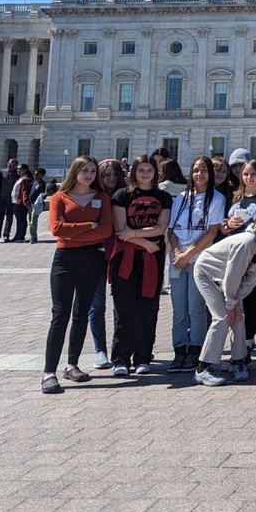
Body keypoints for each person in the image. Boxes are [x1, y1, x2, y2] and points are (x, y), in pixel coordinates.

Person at [41, 156, 113, 394]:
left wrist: (76, 232)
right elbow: (55, 229)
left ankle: (72, 364)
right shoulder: (60, 197)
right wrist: (89, 227)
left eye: (93, 171)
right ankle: (49, 372)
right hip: (65, 261)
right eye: (85, 170)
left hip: (92, 259)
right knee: (60, 314)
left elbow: (105, 230)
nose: (90, 175)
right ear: (75, 171)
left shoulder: (101, 198)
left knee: (82, 313)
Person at [192, 212, 256, 385]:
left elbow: (252, 278)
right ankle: (204, 368)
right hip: (208, 273)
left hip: (227, 280)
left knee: (238, 316)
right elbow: (232, 275)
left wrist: (237, 301)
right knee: (222, 317)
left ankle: (238, 361)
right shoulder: (248, 241)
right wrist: (231, 303)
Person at [109, 155, 172, 376]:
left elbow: (161, 227)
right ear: (134, 171)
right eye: (141, 170)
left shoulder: (163, 197)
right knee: (124, 310)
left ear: (156, 173)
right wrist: (145, 242)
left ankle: (143, 357)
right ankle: (120, 358)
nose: (145, 174)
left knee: (148, 309)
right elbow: (119, 229)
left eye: (149, 170)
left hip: (152, 261)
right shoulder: (121, 196)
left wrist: (134, 235)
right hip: (126, 259)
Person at [166, 156, 225, 372]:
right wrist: (177, 253)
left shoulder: (216, 199)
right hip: (177, 259)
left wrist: (188, 254)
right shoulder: (181, 198)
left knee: (196, 308)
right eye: (196, 170)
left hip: (200, 259)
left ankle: (195, 349)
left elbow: (211, 233)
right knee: (179, 309)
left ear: (210, 174)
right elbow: (171, 231)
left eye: (204, 171)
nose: (199, 174)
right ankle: (179, 348)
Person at [220, 158, 256, 351]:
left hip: (254, 256)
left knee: (252, 298)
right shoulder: (235, 197)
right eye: (245, 174)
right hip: (233, 253)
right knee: (232, 296)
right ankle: (236, 336)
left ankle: (248, 339)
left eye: (253, 174)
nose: (249, 178)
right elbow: (224, 224)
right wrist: (228, 225)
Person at [87, 157, 126, 370]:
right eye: (106, 175)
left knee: (123, 304)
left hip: (120, 253)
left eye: (114, 174)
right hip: (96, 254)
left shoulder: (125, 196)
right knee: (97, 305)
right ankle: (100, 350)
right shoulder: (92, 196)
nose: (111, 179)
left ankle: (123, 346)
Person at [10, 164, 34, 242]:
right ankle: (17, 235)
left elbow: (25, 191)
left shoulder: (26, 179)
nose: (18, 170)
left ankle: (21, 236)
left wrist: (25, 201)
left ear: (25, 169)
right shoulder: (21, 178)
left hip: (20, 203)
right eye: (17, 169)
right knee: (19, 220)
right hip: (16, 202)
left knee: (21, 220)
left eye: (20, 169)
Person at [0, 158, 19, 242]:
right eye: (9, 163)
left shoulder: (17, 174)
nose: (10, 165)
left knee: (9, 218)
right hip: (1, 198)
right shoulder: (1, 172)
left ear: (15, 166)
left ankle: (6, 235)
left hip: (11, 199)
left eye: (13, 164)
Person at [27, 167, 48, 243]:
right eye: (34, 174)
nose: (35, 175)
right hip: (30, 203)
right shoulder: (33, 182)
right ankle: (33, 236)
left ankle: (33, 237)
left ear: (42, 175)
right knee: (30, 220)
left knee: (33, 220)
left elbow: (43, 194)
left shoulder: (41, 183)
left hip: (36, 204)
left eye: (37, 174)